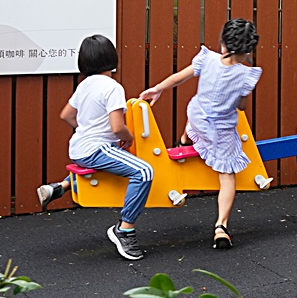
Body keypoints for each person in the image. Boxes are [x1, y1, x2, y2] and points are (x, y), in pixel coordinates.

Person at [140, 18, 262, 249]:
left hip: (196, 117)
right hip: (220, 132)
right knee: (226, 175)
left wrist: (158, 88)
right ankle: (221, 226)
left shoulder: (208, 58)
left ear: (223, 42)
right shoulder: (248, 75)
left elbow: (179, 77)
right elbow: (242, 106)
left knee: (197, 111)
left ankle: (185, 139)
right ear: (248, 50)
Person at [37, 34, 153, 261]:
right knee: (144, 171)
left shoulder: (84, 86)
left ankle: (59, 187)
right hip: (96, 148)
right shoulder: (112, 87)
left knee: (112, 161)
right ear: (112, 58)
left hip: (79, 148)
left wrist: (86, 129)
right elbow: (117, 126)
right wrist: (128, 138)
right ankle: (125, 229)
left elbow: (66, 115)